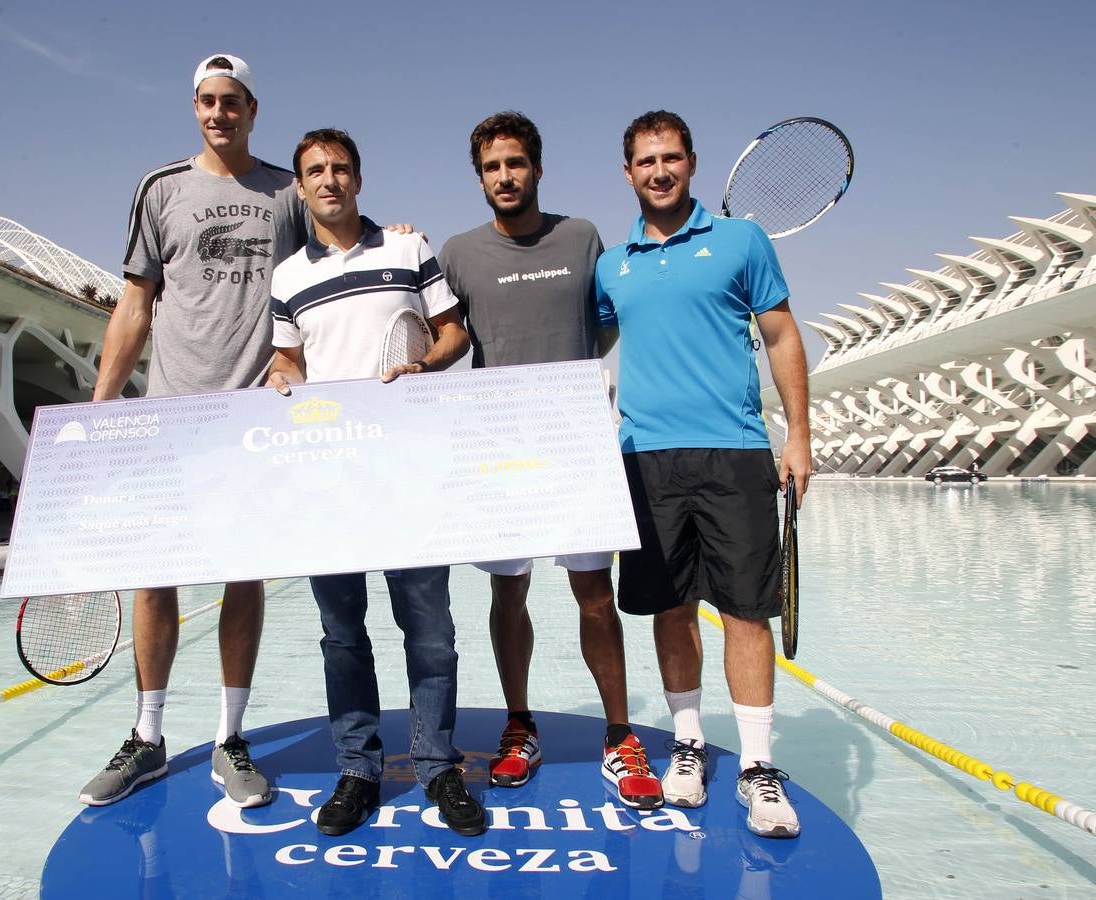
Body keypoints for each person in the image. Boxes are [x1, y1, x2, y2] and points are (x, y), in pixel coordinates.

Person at [78, 53, 310, 810]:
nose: (219, 112)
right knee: (158, 576)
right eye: (208, 101)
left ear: (252, 108)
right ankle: (148, 738)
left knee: (243, 575)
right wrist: (97, 408)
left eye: (233, 101)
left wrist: (396, 234)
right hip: (170, 415)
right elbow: (135, 303)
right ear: (196, 107)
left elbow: (333, 264)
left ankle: (230, 738)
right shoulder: (162, 189)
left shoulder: (287, 191)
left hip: (252, 417)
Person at [595, 110, 812, 838]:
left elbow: (781, 335)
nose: (659, 171)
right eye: (645, 161)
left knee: (747, 612)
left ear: (691, 163)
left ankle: (756, 767)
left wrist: (799, 437)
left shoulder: (741, 241)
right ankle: (687, 744)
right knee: (671, 607)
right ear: (627, 173)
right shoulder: (611, 263)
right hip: (645, 458)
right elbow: (577, 345)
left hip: (735, 450)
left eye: (671, 158)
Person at [266, 128, 483, 837]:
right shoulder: (287, 277)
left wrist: (426, 366)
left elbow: (453, 333)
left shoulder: (407, 249)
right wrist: (285, 381)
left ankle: (436, 766)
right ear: (301, 187)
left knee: (430, 633)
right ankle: (358, 771)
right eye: (315, 172)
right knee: (342, 636)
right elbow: (287, 364)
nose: (329, 180)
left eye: (340, 169)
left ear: (358, 178)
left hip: (412, 469)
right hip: (328, 481)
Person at [438, 112, 658, 808]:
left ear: (537, 168)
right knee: (510, 590)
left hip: (576, 444)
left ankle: (619, 735)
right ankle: (518, 726)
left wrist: (563, 381)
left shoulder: (582, 237)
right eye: (491, 168)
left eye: (515, 164)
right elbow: (442, 333)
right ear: (480, 178)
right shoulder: (457, 254)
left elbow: (609, 320)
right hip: (499, 448)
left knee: (595, 596)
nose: (504, 177)